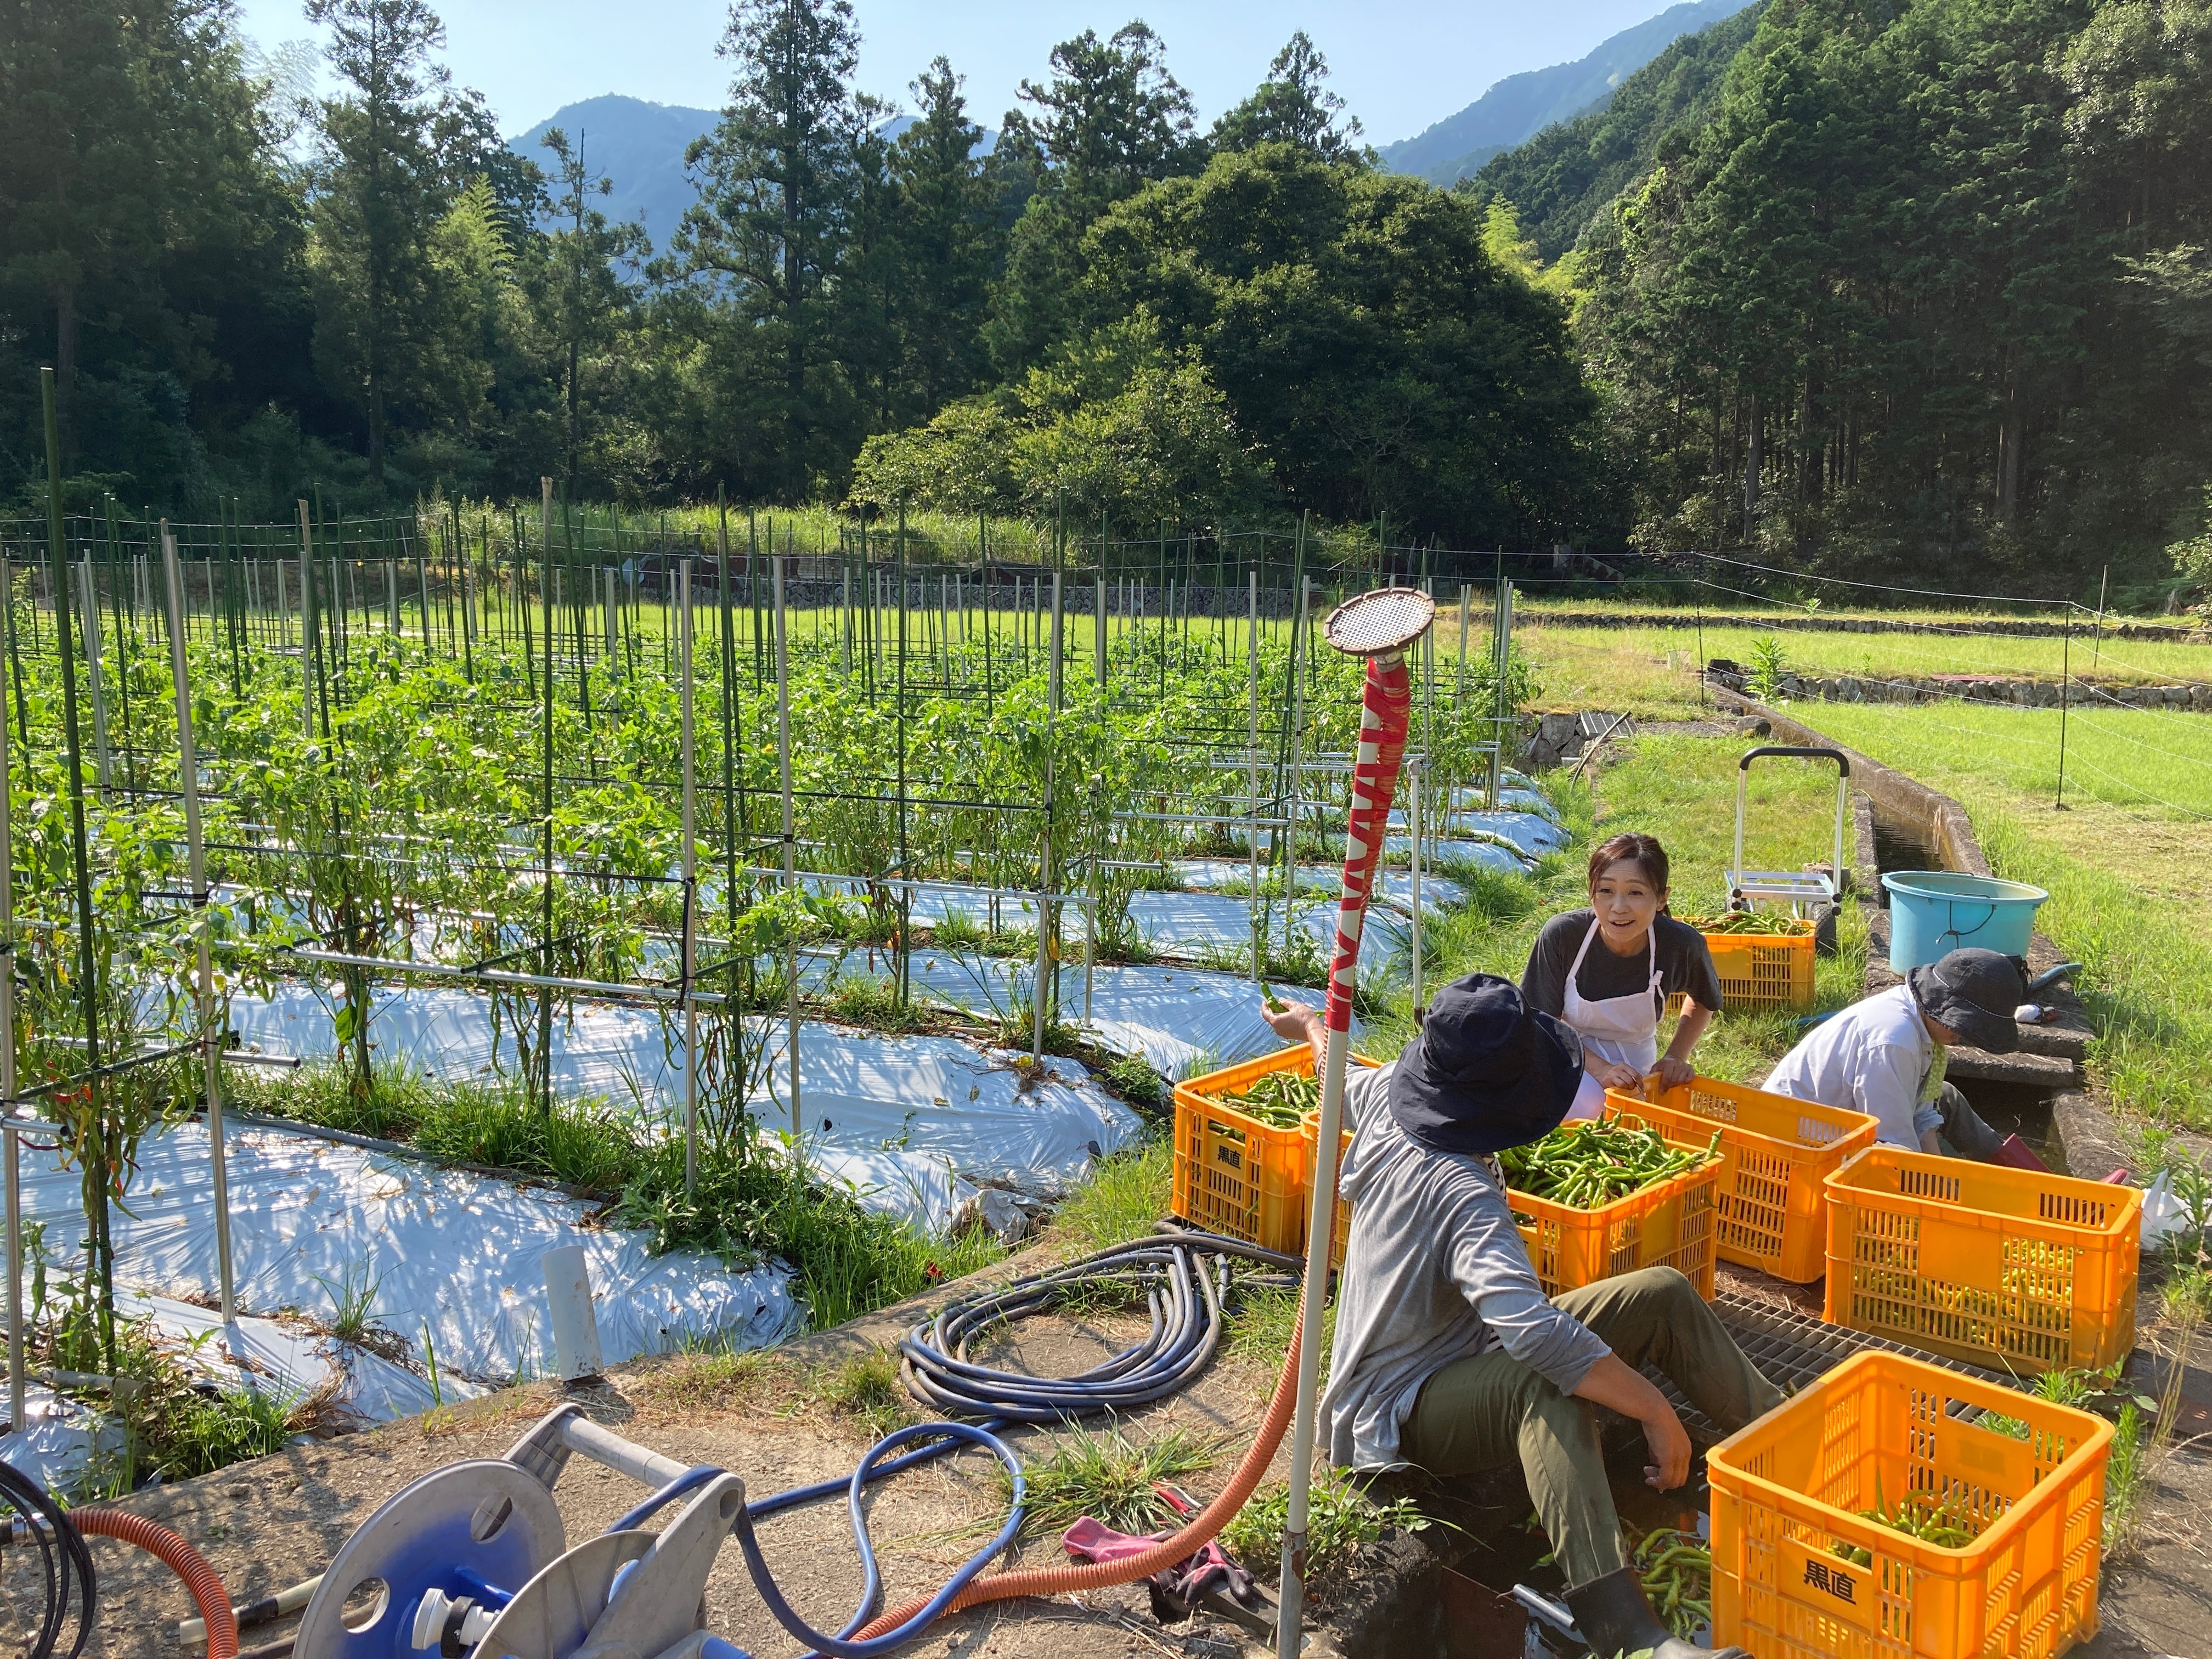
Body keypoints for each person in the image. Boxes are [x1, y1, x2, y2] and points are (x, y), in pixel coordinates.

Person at [1264, 974, 1779, 1659]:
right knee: (1545, 1386)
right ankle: (1628, 1634)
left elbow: (1339, 1079)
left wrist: (1311, 1028)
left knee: (1661, 1290)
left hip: (1459, 1350)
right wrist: (1655, 1410)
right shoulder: (1461, 1191)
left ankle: (1789, 1439)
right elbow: (1532, 1334)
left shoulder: (1393, 1094)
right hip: (1398, 1403)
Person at [1521, 833, 1723, 1119]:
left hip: (1635, 1061)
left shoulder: (1681, 944)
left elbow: (1704, 1000)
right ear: (1591, 893)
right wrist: (1601, 1069)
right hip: (1564, 1051)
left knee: (1633, 1119)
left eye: (1635, 893)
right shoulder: (1564, 935)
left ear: (1662, 898)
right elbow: (1541, 1022)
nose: (1618, 907)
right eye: (1605, 891)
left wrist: (1676, 1056)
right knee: (1583, 1111)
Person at [1761, 946, 2025, 1159]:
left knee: (1945, 1096)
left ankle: (2021, 1177)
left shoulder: (1927, 1031)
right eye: (1964, 1026)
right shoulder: (1893, 1042)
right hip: (1797, 1143)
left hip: (1845, 1119)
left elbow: (1923, 1114)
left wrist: (1939, 1173)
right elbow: (1893, 1143)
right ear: (1940, 1003)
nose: (1963, 1036)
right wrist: (1938, 1195)